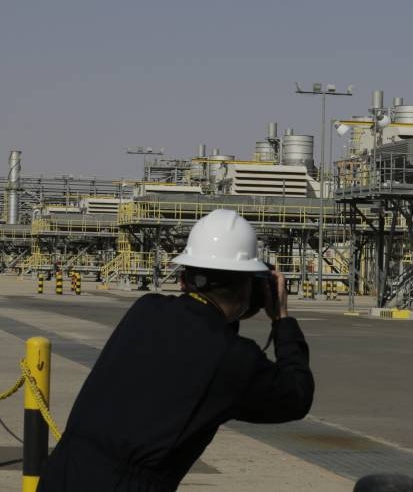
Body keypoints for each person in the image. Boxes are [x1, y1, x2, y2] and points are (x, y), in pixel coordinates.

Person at [38, 209, 314, 491]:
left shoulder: (145, 310)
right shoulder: (233, 359)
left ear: (187, 275)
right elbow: (297, 396)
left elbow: (199, 332)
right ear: (249, 287)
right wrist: (282, 319)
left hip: (59, 475)